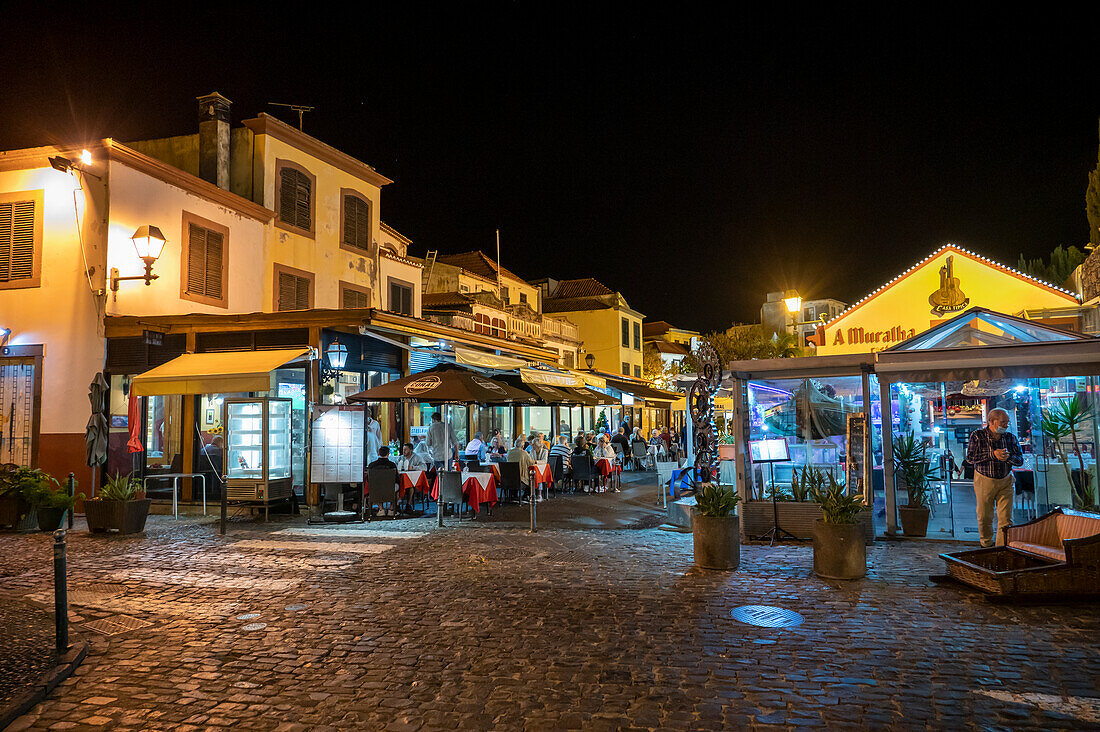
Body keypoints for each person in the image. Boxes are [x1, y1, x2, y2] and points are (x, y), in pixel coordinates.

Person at [965, 407, 1023, 548]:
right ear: (991, 421)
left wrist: (1008, 457)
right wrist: (993, 455)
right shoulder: (977, 435)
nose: (1006, 425)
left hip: (1005, 480)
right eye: (1003, 422)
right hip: (984, 480)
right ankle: (986, 544)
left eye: (1007, 422)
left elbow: (1020, 459)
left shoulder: (1010, 438)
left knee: (1006, 518)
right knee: (985, 515)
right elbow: (970, 458)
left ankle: (1002, 546)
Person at [507, 436, 536, 502]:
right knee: (530, 479)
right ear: (523, 446)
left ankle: (513, 495)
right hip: (520, 478)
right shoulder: (524, 453)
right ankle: (525, 496)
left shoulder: (509, 452)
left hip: (509, 478)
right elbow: (530, 463)